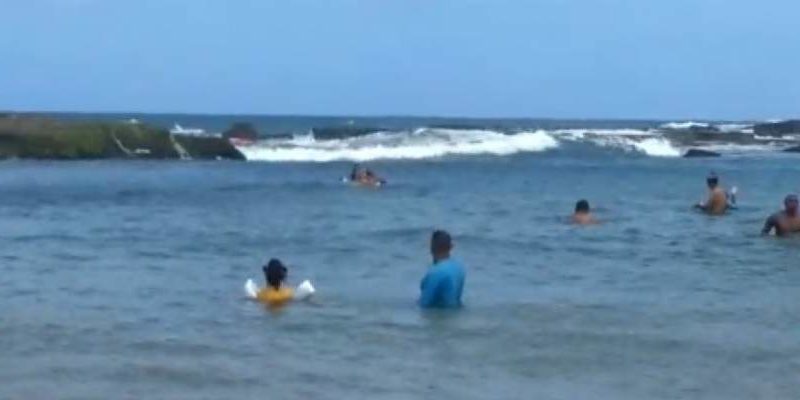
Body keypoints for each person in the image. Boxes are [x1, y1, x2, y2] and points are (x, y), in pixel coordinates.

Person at [419, 230, 466, 308]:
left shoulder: (434, 273)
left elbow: (424, 303)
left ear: (431, 247)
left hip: (439, 316)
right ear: (451, 247)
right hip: (454, 314)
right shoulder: (459, 269)